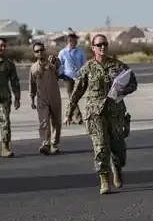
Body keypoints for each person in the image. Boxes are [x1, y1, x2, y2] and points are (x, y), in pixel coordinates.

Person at [65, 34, 137, 194]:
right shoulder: (87, 68)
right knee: (100, 146)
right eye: (99, 45)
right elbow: (76, 92)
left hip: (115, 112)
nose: (102, 47)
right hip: (95, 113)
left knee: (118, 147)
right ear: (93, 47)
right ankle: (104, 179)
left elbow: (133, 83)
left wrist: (122, 90)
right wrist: (69, 112)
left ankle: (117, 168)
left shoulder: (118, 66)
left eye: (104, 44)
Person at [28, 43, 63, 154]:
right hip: (41, 98)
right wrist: (32, 100)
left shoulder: (52, 63)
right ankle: (45, 143)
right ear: (34, 54)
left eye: (42, 50)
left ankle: (54, 144)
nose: (40, 53)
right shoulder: (33, 68)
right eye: (37, 51)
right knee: (44, 122)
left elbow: (58, 65)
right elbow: (32, 85)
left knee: (56, 122)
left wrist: (55, 60)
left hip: (54, 96)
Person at [58, 32, 86, 124]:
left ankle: (69, 116)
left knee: (75, 97)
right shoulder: (63, 52)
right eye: (74, 40)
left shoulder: (80, 52)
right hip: (67, 77)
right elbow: (59, 64)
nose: (76, 42)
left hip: (78, 77)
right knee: (71, 96)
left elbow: (84, 64)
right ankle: (78, 117)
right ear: (69, 41)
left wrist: (84, 75)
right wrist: (60, 74)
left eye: (76, 40)